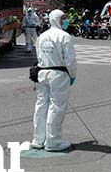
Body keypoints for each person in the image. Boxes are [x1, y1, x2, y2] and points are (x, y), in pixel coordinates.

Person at [31, 10, 78, 152]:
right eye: (63, 18)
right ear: (57, 19)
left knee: (41, 106)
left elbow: (39, 56)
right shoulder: (64, 36)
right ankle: (53, 141)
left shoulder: (42, 36)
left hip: (42, 73)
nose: (66, 20)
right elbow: (70, 59)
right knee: (56, 107)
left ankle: (38, 139)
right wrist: (72, 75)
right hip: (58, 74)